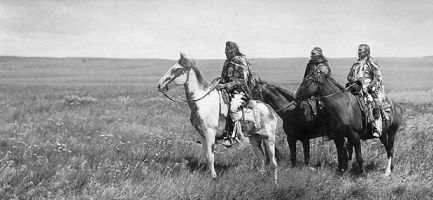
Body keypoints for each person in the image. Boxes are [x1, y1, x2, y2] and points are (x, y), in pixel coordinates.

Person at [216, 41, 252, 147]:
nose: (226, 52)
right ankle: (219, 133)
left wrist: (226, 85)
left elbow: (242, 80)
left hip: (240, 91)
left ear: (234, 50)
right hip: (227, 91)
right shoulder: (227, 62)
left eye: (228, 50)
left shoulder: (240, 61)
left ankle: (235, 136)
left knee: (233, 108)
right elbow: (224, 78)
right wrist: (219, 83)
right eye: (225, 50)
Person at [347, 44, 385, 138]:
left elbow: (378, 76)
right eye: (358, 50)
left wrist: (370, 86)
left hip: (368, 88)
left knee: (370, 101)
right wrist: (353, 80)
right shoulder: (356, 63)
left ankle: (376, 127)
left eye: (361, 50)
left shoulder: (371, 62)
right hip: (355, 87)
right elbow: (349, 76)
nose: (358, 52)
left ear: (366, 52)